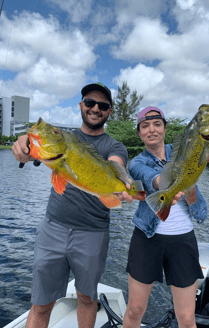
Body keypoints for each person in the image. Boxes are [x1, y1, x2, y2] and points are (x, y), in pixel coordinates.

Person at [12, 82, 133, 328]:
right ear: (81, 106)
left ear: (109, 112)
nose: (95, 108)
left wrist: (124, 182)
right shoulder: (65, 137)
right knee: (41, 303)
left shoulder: (114, 145)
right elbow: (30, 148)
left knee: (87, 299)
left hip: (93, 233)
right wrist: (25, 143)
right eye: (90, 102)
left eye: (103, 105)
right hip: (52, 229)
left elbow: (116, 163)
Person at [122, 103, 209, 328]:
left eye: (157, 124)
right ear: (139, 133)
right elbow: (151, 178)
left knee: (186, 317)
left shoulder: (186, 146)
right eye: (145, 126)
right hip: (146, 239)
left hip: (183, 240)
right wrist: (168, 186)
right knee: (135, 309)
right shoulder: (136, 162)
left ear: (165, 129)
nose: (152, 129)